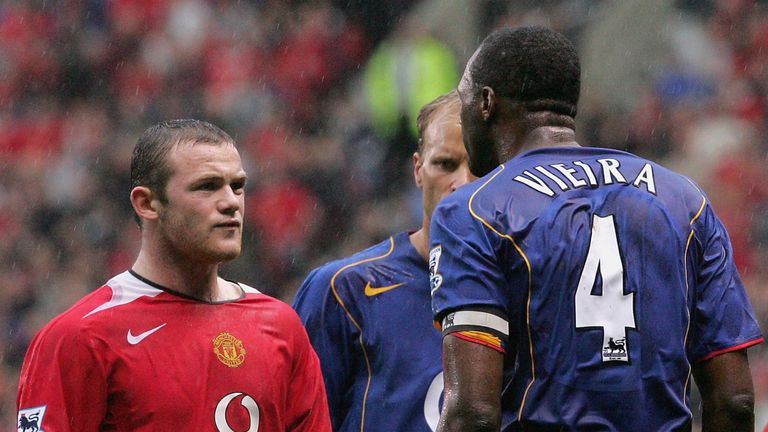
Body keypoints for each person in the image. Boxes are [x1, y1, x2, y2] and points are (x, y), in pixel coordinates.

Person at [429, 27, 764, 432]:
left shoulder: (476, 211)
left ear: (485, 103)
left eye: (464, 100)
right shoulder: (685, 201)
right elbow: (735, 400)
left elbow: (472, 413)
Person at [16, 119, 331, 431]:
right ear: (147, 203)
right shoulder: (81, 337)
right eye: (206, 187)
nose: (231, 203)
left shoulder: (280, 326)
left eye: (237, 186)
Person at [293, 90, 474, 432]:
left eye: (479, 166)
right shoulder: (343, 291)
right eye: (445, 164)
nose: (461, 183)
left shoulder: (529, 292)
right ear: (419, 170)